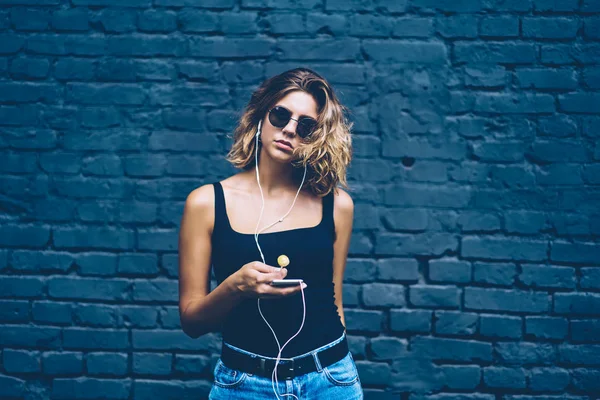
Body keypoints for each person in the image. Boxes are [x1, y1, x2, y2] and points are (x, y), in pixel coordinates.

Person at [178, 67, 363, 399]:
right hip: (244, 383)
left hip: (330, 380)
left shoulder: (337, 205)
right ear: (261, 117)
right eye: (281, 115)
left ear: (317, 137)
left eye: (306, 126)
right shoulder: (206, 202)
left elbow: (335, 303)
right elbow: (192, 322)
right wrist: (235, 287)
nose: (290, 130)